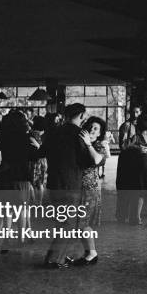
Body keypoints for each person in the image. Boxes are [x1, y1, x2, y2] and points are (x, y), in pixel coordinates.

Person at [40, 103, 100, 268]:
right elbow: (91, 162)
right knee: (69, 224)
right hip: (71, 185)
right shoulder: (80, 134)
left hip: (53, 184)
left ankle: (59, 256)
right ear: (81, 115)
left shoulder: (54, 132)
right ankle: (53, 260)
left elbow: (40, 153)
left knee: (64, 222)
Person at [0, 111, 40, 243]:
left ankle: (4, 238)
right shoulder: (27, 138)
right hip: (23, 178)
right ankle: (21, 238)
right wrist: (37, 146)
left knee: (6, 211)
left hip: (6, 177)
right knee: (21, 210)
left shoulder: (3, 137)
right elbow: (36, 157)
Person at [80, 117, 111, 228]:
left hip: (90, 188)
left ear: (99, 133)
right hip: (77, 186)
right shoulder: (80, 143)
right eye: (90, 127)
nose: (92, 130)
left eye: (95, 128)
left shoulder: (99, 146)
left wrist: (88, 144)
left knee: (85, 223)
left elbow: (97, 160)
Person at [116, 105, 142, 222]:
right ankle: (121, 215)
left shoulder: (142, 126)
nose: (135, 114)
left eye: (137, 112)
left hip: (137, 160)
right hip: (127, 160)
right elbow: (122, 145)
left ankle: (133, 216)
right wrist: (135, 142)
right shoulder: (126, 126)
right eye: (133, 112)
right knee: (124, 187)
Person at [28, 115, 48, 205]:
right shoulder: (46, 134)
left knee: (31, 182)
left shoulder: (31, 134)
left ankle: (32, 201)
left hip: (33, 160)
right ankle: (39, 203)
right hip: (43, 160)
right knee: (40, 183)